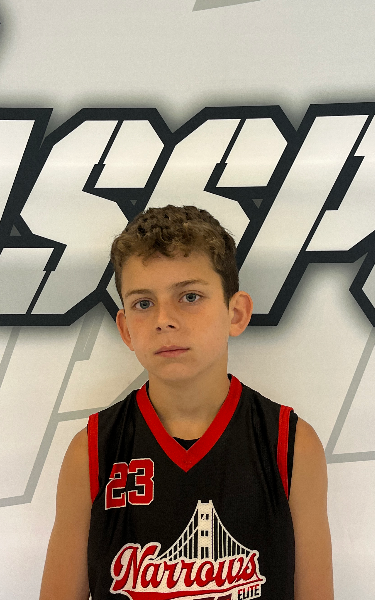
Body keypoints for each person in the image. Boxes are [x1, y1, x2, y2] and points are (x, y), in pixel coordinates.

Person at [39, 205, 334, 600]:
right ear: (126, 329)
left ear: (236, 313)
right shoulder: (91, 451)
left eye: (189, 296)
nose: (164, 319)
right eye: (144, 303)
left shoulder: (290, 445)